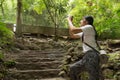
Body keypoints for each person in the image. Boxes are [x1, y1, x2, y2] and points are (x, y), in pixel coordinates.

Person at [67, 15, 100, 80]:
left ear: (86, 22)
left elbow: (73, 30)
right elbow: (72, 35)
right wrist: (70, 23)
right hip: (87, 56)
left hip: (92, 55)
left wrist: (69, 20)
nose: (80, 21)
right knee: (73, 68)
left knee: (93, 77)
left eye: (82, 20)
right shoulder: (84, 32)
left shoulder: (89, 27)